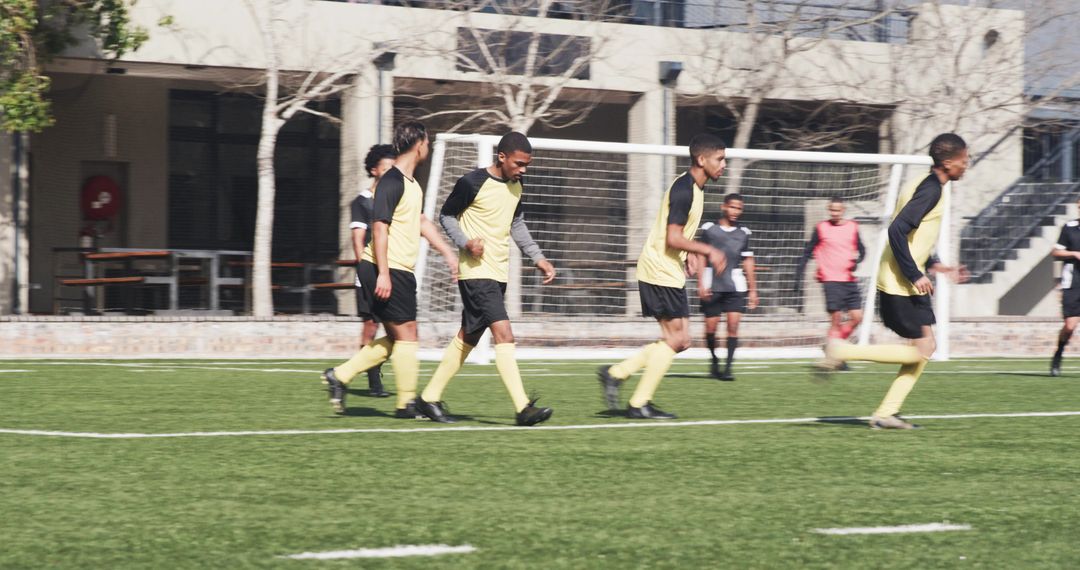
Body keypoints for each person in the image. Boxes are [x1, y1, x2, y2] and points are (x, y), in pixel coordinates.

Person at [822, 133, 970, 429]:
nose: (966, 166)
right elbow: (897, 230)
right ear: (948, 162)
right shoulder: (931, 190)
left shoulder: (923, 183)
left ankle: (886, 413)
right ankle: (842, 351)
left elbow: (915, 236)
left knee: (926, 347)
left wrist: (937, 265)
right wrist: (915, 273)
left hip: (904, 279)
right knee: (923, 349)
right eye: (964, 161)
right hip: (901, 282)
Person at [413, 132, 557, 426]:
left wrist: (538, 257)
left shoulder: (517, 185)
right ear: (502, 157)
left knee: (469, 336)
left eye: (526, 165)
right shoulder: (471, 182)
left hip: (497, 273)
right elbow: (447, 216)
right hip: (477, 273)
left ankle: (428, 398)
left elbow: (516, 224)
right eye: (519, 164)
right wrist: (466, 243)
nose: (523, 169)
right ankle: (523, 408)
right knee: (504, 334)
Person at [322, 121, 458, 417]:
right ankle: (405, 403)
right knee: (407, 334)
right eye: (427, 142)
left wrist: (448, 251)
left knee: (402, 336)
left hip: (398, 269)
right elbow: (379, 228)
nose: (428, 147)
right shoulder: (391, 181)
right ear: (419, 144)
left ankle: (341, 376)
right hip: (386, 268)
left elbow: (420, 221)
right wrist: (383, 273)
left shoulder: (411, 183)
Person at [596, 133, 728, 419]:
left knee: (681, 340)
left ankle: (617, 374)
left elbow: (679, 235)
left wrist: (690, 254)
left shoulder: (696, 188)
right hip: (658, 271)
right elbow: (672, 237)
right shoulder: (685, 190)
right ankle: (637, 401)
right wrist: (708, 251)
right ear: (701, 159)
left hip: (667, 270)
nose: (724, 165)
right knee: (676, 340)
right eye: (719, 159)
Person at [344, 143, 396, 397]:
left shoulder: (394, 201)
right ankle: (373, 382)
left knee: (396, 328)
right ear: (374, 170)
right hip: (370, 274)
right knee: (371, 326)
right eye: (386, 169)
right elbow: (358, 239)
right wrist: (365, 271)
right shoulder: (362, 202)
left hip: (392, 272)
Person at [795, 197, 867, 364]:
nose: (835, 213)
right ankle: (833, 358)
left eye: (838, 210)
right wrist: (798, 276)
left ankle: (832, 347)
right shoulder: (821, 228)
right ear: (829, 210)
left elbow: (862, 250)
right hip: (831, 280)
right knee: (836, 320)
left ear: (843, 210)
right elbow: (807, 252)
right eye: (832, 210)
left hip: (849, 280)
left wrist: (857, 261)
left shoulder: (853, 227)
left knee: (857, 317)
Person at [697, 193, 757, 381]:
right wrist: (700, 283)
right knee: (710, 329)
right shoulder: (709, 229)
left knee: (733, 326)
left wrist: (753, 290)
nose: (735, 211)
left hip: (736, 287)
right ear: (723, 207)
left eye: (739, 208)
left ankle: (728, 369)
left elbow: (748, 261)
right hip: (712, 285)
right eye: (732, 207)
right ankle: (714, 361)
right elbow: (700, 256)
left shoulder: (744, 233)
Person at [1049, 197, 1080, 376]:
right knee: (1069, 326)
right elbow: (1055, 252)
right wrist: (1074, 254)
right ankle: (1058, 355)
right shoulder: (1069, 228)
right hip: (1073, 282)